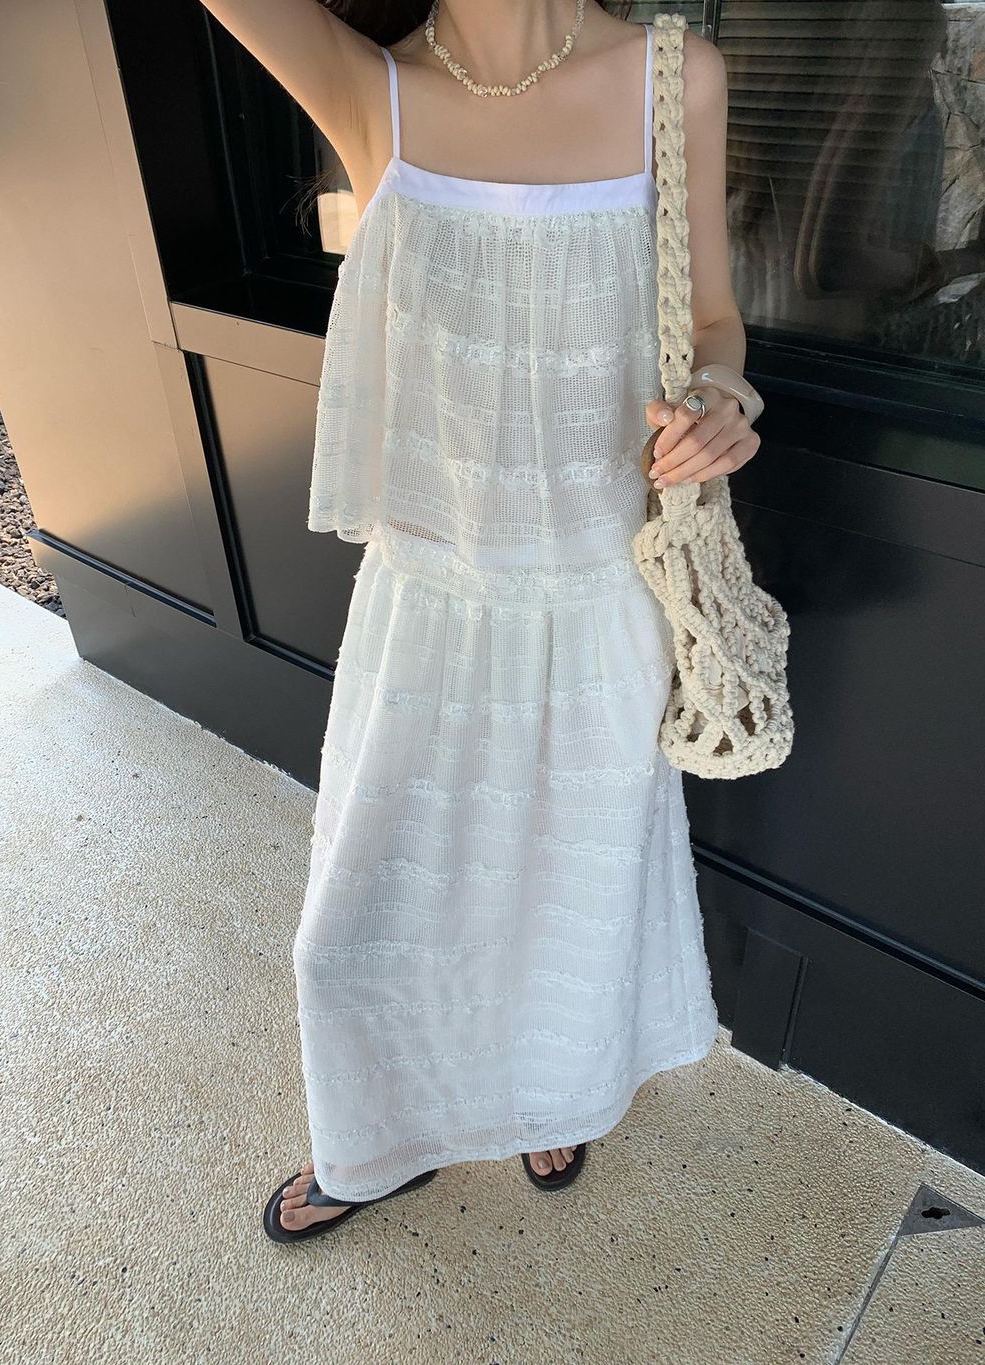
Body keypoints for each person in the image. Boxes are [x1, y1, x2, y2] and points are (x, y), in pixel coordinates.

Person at [199, 0, 761, 1243]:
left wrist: (723, 398)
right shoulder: (371, 88)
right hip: (429, 599)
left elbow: (712, 320)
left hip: (598, 595)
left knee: (565, 896)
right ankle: (374, 1134)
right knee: (355, 923)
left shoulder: (675, 75)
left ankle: (544, 1091)